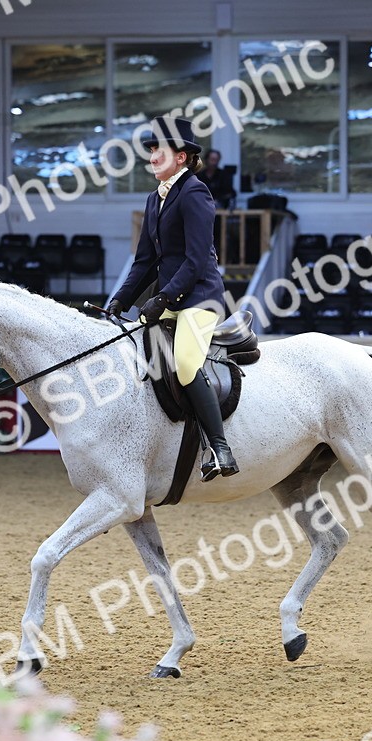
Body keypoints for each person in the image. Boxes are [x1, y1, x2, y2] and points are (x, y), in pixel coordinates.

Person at [106, 116, 238, 481]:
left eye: (158, 151)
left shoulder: (195, 192)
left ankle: (220, 448)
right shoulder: (154, 199)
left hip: (200, 299)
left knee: (183, 361)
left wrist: (163, 298)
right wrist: (120, 299)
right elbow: (145, 261)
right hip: (170, 299)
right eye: (150, 151)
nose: (152, 157)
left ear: (181, 157)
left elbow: (197, 260)